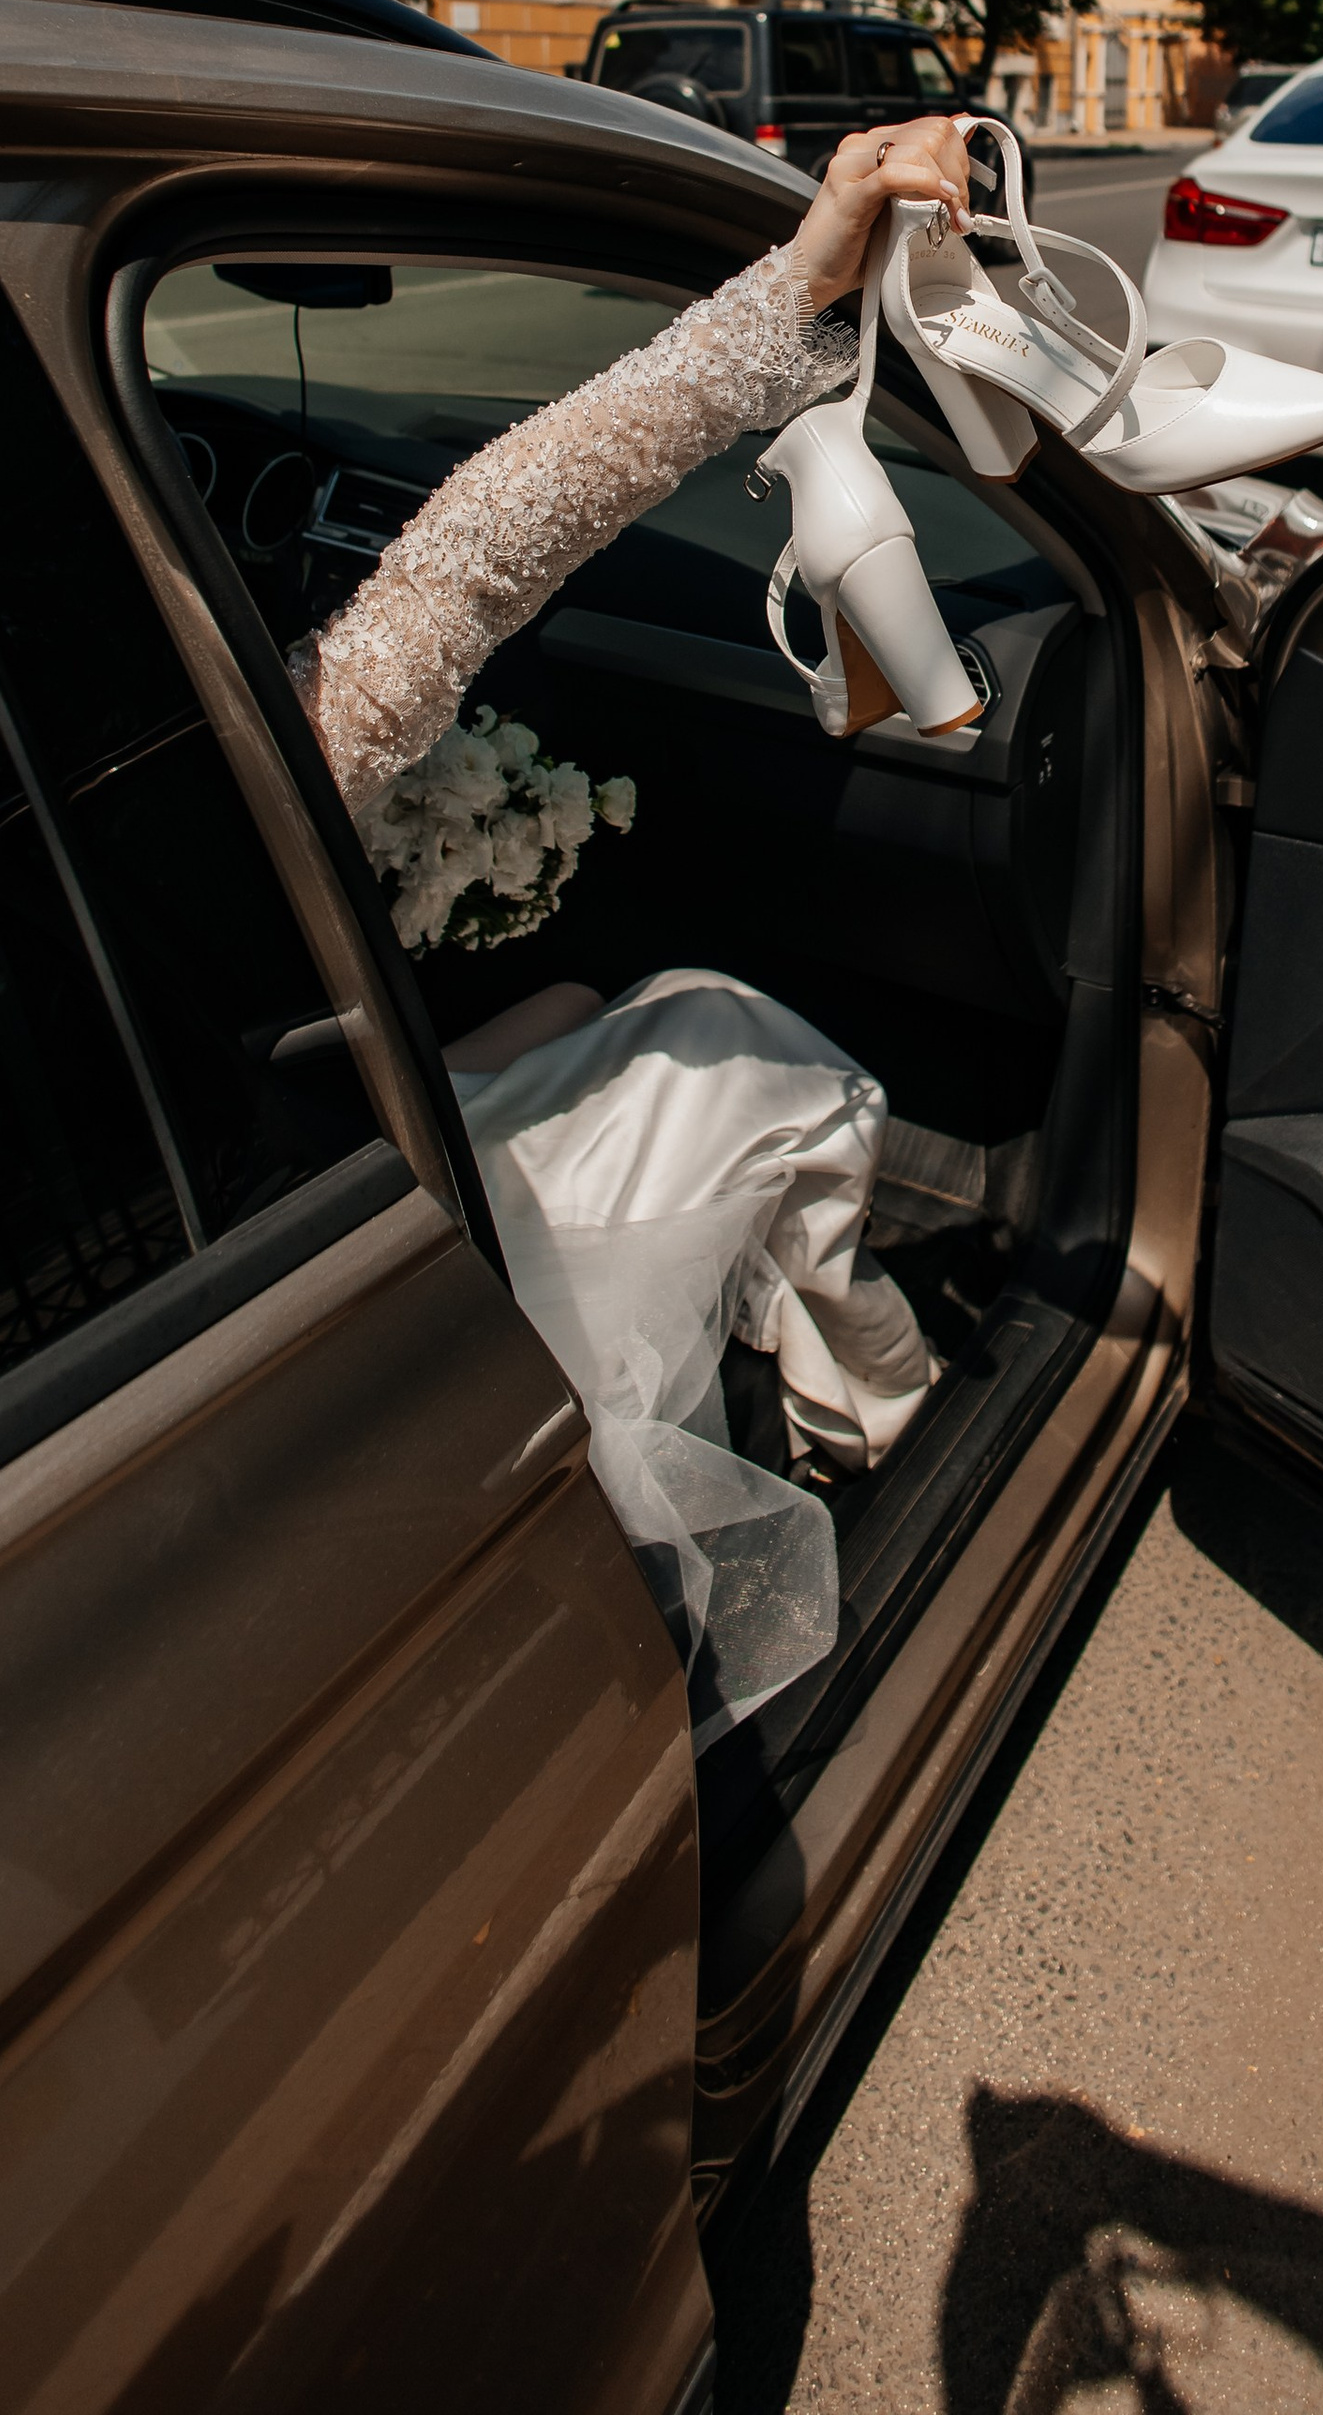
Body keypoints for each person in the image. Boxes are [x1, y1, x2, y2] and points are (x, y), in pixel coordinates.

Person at [289, 112, 984, 1742]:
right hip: (321, 1241)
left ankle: (841, 1392)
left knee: (597, 990)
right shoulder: (218, 765)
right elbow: (463, 567)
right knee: (734, 1042)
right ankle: (876, 1402)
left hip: (188, 1218)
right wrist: (799, 291)